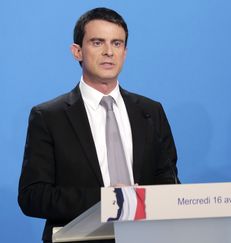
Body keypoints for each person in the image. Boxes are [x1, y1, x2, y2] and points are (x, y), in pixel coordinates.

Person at [18, 7, 179, 243]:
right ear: (77, 51)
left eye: (116, 43)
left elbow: (169, 184)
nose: (108, 52)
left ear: (125, 52)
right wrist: (108, 200)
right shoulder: (48, 116)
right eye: (97, 42)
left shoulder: (151, 111)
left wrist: (144, 201)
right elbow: (33, 196)